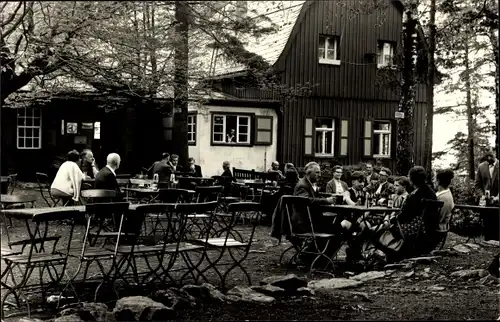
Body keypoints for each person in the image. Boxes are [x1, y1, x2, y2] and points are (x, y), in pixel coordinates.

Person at [395, 166, 437, 257]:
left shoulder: (415, 195)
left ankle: (395, 252)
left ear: (411, 179)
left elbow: (404, 216)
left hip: (416, 228)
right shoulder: (431, 192)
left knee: (388, 226)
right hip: (428, 227)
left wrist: (394, 218)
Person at [434, 169, 455, 234]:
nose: (433, 181)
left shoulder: (440, 197)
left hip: (435, 230)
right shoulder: (448, 193)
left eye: (434, 179)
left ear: (438, 181)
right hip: (444, 228)